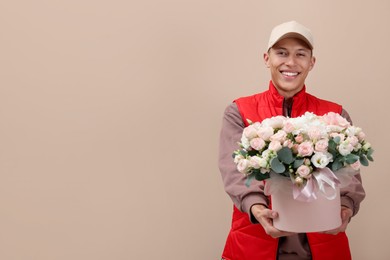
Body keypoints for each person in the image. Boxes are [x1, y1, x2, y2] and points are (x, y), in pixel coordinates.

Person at [218, 21, 366, 260]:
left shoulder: (335, 115)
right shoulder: (239, 110)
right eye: (282, 53)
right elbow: (234, 171)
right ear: (267, 58)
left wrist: (346, 207)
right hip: (255, 244)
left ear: (311, 62)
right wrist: (257, 208)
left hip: (323, 245)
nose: (291, 62)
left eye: (301, 54)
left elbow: (350, 175)